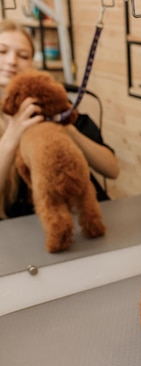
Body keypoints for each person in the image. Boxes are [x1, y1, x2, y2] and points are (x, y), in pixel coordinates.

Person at [0, 19, 119, 219]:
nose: (12, 61)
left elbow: (112, 169)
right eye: (2, 51)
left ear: (31, 64)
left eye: (22, 55)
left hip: (83, 217)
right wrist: (12, 135)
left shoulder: (56, 108)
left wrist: (68, 129)